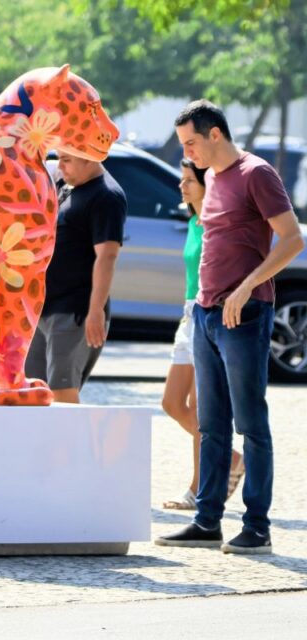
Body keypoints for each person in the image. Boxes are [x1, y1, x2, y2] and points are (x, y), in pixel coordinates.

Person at [156, 100, 304, 554]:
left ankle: (257, 527)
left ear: (215, 134)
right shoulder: (214, 178)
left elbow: (293, 238)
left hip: (246, 314)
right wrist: (202, 303)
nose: (188, 152)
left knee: (251, 423)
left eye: (191, 142)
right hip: (205, 314)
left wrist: (245, 288)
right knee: (212, 425)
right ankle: (207, 522)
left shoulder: (256, 173)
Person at [161, 158, 244, 510]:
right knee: (172, 403)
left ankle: (198, 488)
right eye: (181, 180)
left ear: (206, 185)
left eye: (188, 181)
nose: (182, 186)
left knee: (200, 407)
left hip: (209, 315)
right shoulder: (194, 222)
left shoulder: (216, 224)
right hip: (188, 314)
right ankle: (232, 456)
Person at [24, 151, 127, 403]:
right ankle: (42, 444)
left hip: (74, 311)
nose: (60, 166)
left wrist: (95, 310)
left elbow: (107, 257)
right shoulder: (70, 186)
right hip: (44, 308)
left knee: (62, 393)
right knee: (32, 391)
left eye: (67, 160)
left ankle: (76, 444)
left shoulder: (106, 196)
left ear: (89, 158)